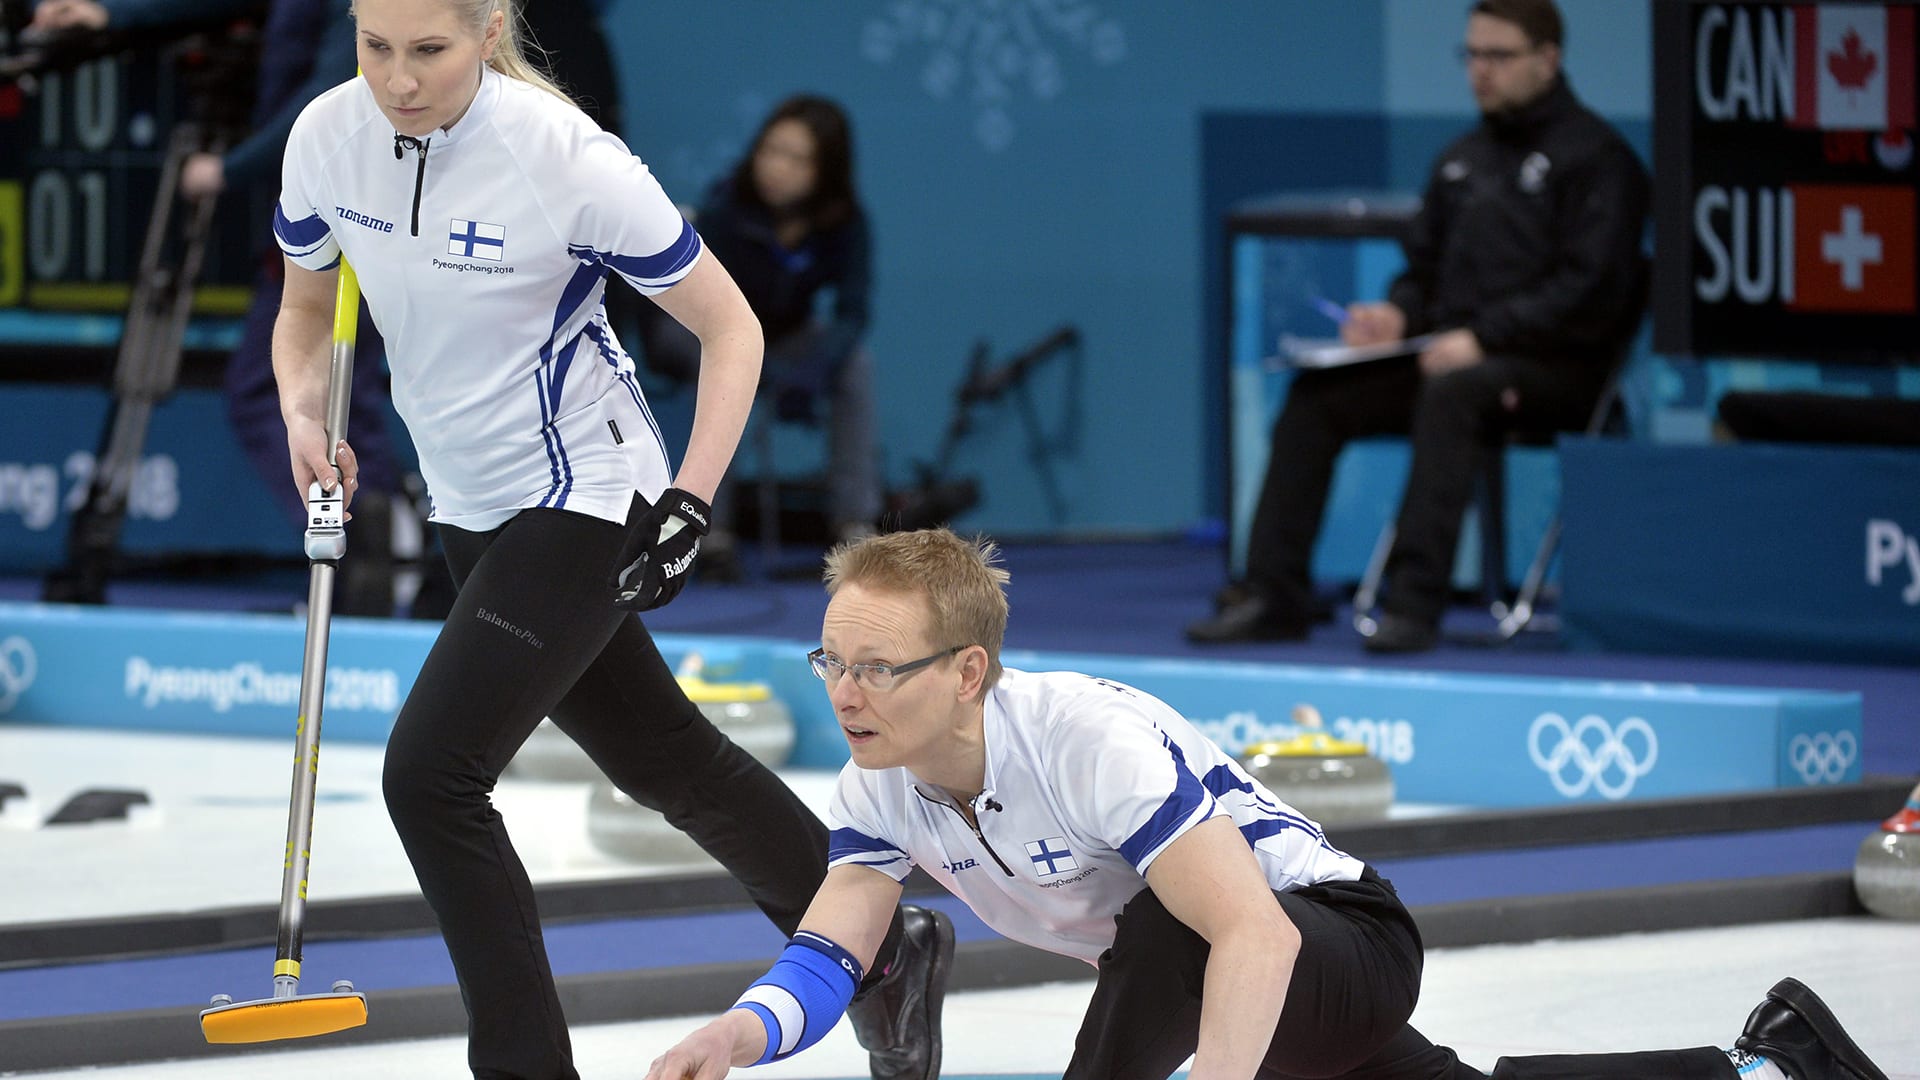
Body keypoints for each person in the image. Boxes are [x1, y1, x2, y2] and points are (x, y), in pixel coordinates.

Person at [267, 1, 947, 1076]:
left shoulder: (566, 157)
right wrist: (304, 414)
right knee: (662, 757)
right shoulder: (326, 136)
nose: (397, 80)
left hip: (587, 490)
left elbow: (731, 327)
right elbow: (306, 313)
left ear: (490, 29)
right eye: (375, 46)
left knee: (431, 776)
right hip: (468, 502)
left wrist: (690, 500)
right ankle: (884, 950)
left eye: (429, 50)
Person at [641, 527, 1891, 1080]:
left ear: (968, 672)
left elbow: (1247, 931)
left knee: (1167, 925)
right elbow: (830, 953)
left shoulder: (1086, 739)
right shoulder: (876, 783)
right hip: (1230, 987)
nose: (844, 691)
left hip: (1336, 944)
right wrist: (734, 1038)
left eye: (876, 666)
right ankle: (1766, 1065)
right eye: (831, 660)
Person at [1188, 0, 1650, 654]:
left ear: (1548, 60)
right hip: (1451, 354)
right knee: (1319, 397)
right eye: (1472, 55)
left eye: (1499, 56)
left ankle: (1413, 603)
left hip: (1557, 370)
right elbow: (1422, 270)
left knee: (1452, 393)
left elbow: (1592, 291)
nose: (1480, 71)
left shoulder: (1600, 160)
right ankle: (1272, 594)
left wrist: (1486, 338)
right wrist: (1397, 314)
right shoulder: (1461, 160)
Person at [639, 94, 880, 579]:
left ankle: (855, 526)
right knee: (724, 368)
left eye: (797, 159)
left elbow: (852, 314)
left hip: (784, 336)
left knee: (855, 365)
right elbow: (710, 311)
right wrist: (768, 370)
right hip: (702, 329)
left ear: (826, 170)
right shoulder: (726, 207)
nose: (777, 168)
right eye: (771, 150)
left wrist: (811, 372)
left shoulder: (846, 222)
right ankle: (708, 533)